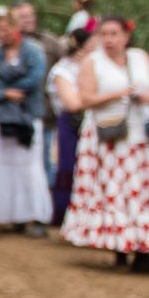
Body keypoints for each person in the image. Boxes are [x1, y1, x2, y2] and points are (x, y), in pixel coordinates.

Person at [60, 17, 149, 273]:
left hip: (139, 137)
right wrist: (119, 94)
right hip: (108, 139)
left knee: (141, 195)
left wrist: (147, 96)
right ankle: (120, 246)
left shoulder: (140, 57)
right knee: (114, 194)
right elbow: (85, 99)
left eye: (114, 34)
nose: (109, 39)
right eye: (104, 34)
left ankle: (142, 250)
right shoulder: (92, 62)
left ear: (126, 36)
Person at [0, 6, 52, 236]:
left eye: (5, 29)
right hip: (1, 116)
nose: (2, 34)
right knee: (2, 166)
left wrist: (2, 82)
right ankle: (12, 216)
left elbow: (36, 77)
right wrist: (4, 93)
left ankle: (35, 216)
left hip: (27, 115)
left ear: (16, 28)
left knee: (29, 166)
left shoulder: (33, 51)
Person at [47, 27, 88, 229]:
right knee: (69, 166)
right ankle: (64, 213)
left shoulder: (95, 65)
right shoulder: (63, 69)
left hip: (91, 122)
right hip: (71, 123)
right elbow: (72, 103)